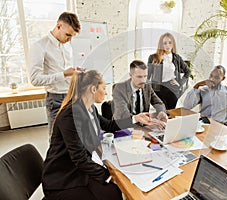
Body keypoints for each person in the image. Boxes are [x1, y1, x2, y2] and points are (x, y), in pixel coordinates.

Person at [42, 69, 157, 200]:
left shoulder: (90, 108)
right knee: (112, 193)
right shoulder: (71, 115)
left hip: (78, 170)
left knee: (113, 192)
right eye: (103, 88)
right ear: (93, 89)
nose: (106, 92)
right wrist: (109, 175)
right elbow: (79, 158)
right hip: (63, 178)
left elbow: (108, 125)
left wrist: (135, 118)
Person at [28, 12, 83, 138]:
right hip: (56, 99)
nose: (70, 39)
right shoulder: (39, 46)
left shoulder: (67, 46)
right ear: (58, 26)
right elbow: (35, 79)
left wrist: (74, 72)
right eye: (68, 35)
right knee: (56, 139)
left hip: (72, 96)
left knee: (74, 136)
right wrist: (63, 74)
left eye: (72, 36)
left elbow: (67, 71)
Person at [147, 32, 191, 109]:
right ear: (161, 45)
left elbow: (188, 71)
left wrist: (180, 83)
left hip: (173, 89)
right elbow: (147, 75)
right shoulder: (153, 57)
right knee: (162, 112)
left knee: (170, 113)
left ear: (173, 44)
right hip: (158, 89)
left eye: (170, 43)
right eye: (165, 43)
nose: (168, 45)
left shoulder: (177, 58)